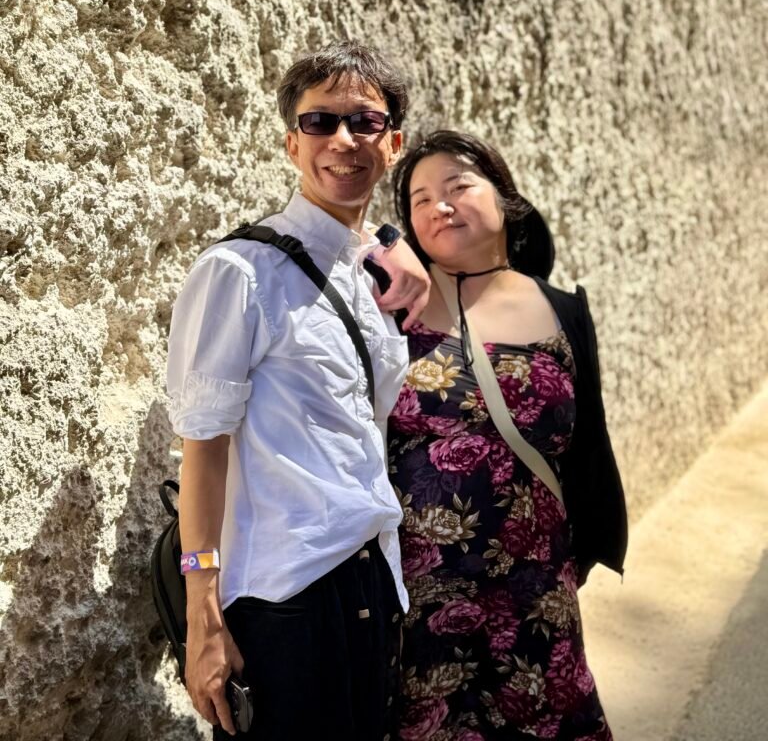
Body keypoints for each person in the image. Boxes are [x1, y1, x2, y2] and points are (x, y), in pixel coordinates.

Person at [166, 40, 431, 741]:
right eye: (320, 122)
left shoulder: (375, 269)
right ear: (292, 143)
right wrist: (203, 619)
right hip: (285, 595)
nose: (343, 140)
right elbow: (203, 450)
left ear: (393, 143)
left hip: (374, 573)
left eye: (364, 122)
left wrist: (395, 241)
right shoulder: (239, 272)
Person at [388, 130, 627, 741]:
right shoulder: (391, 311)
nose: (440, 206)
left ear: (504, 198)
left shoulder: (562, 309)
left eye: (458, 186)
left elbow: (585, 445)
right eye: (420, 200)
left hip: (537, 591)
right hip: (418, 601)